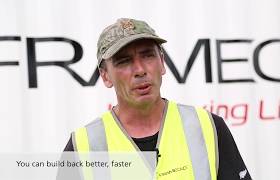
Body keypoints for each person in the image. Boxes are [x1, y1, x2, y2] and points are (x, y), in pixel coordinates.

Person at [62, 18, 252, 180]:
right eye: (124, 61)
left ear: (162, 62)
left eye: (148, 56)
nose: (140, 70)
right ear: (105, 76)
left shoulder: (208, 127)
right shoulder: (82, 146)